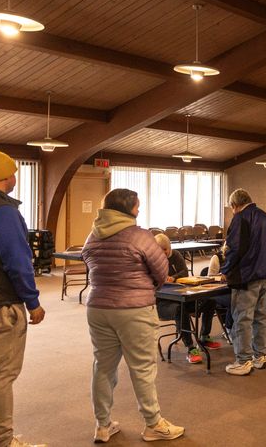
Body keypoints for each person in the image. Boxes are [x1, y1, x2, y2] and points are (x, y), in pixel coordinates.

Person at [82, 189, 184, 442]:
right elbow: (161, 272)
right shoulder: (140, 235)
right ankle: (153, 424)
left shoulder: (93, 235)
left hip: (97, 308)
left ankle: (102, 426)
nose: (139, 211)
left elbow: (87, 261)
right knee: (142, 368)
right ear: (129, 209)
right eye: (138, 207)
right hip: (134, 309)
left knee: (102, 367)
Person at [0, 150, 46, 447]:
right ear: (3, 175)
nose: (14, 179)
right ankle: (2, 442)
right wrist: (32, 301)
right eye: (13, 173)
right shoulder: (2, 211)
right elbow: (17, 261)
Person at [222, 189, 266, 376]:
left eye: (231, 208)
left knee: (242, 318)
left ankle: (243, 360)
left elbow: (235, 249)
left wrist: (226, 269)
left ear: (235, 205)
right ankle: (260, 356)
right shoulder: (265, 217)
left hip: (247, 275)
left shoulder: (241, 218)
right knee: (260, 316)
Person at [153, 234, 221, 365]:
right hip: (163, 303)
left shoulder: (176, 255)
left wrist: (173, 277)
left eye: (165, 250)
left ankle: (204, 337)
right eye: (158, 250)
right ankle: (190, 348)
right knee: (180, 309)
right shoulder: (152, 261)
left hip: (182, 296)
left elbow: (184, 272)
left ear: (169, 247)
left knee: (209, 301)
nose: (162, 253)